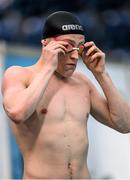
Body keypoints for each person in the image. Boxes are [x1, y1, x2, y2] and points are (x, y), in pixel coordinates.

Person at [1, 11, 130, 179]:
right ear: (46, 44)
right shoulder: (19, 75)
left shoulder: (82, 83)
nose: (75, 56)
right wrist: (48, 67)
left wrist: (101, 74)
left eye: (80, 47)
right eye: (67, 46)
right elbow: (18, 113)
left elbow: (125, 124)